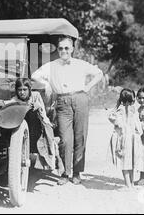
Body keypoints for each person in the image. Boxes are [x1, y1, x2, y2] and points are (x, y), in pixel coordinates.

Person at [31, 35, 103, 185]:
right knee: (65, 139)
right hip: (62, 102)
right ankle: (65, 172)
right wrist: (47, 85)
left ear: (72, 49)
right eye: (61, 48)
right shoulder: (51, 65)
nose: (63, 51)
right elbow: (34, 76)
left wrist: (88, 87)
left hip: (80, 99)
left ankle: (77, 172)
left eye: (66, 48)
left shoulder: (80, 64)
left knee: (80, 136)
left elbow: (99, 73)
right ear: (58, 50)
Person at [0, 78, 64, 174]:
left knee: (49, 137)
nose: (22, 93)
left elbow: (41, 110)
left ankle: (58, 159)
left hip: (39, 123)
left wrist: (36, 105)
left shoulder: (36, 95)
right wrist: (2, 103)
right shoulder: (16, 99)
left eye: (24, 90)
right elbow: (10, 102)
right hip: (26, 125)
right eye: (19, 90)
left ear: (29, 89)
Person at [108, 88, 143, 190]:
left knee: (131, 162)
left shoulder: (132, 110)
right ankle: (128, 184)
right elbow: (111, 117)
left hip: (131, 139)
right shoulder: (121, 110)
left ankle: (130, 184)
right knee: (125, 162)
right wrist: (117, 106)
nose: (133, 102)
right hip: (124, 139)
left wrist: (138, 134)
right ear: (127, 100)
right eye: (132, 100)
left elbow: (137, 124)